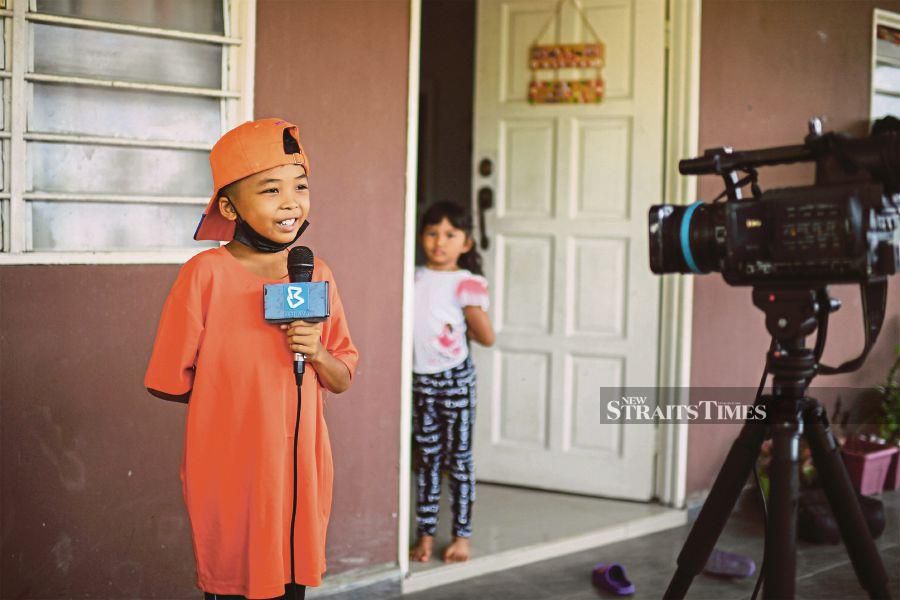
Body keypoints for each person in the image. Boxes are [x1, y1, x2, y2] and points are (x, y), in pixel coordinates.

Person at [144, 118, 359, 599]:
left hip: (301, 471)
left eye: (300, 187)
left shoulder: (315, 272)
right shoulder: (205, 275)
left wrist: (316, 350)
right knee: (233, 582)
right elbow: (168, 379)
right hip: (233, 469)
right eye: (270, 190)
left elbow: (341, 376)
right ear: (228, 205)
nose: (290, 202)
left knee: (291, 584)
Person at [409, 201, 495, 563]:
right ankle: (425, 536)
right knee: (426, 460)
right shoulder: (411, 275)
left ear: (466, 243)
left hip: (455, 380)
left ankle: (462, 536)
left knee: (458, 460)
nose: (438, 242)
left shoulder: (466, 283)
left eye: (449, 235)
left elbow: (486, 336)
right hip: (419, 381)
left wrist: (456, 325)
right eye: (431, 233)